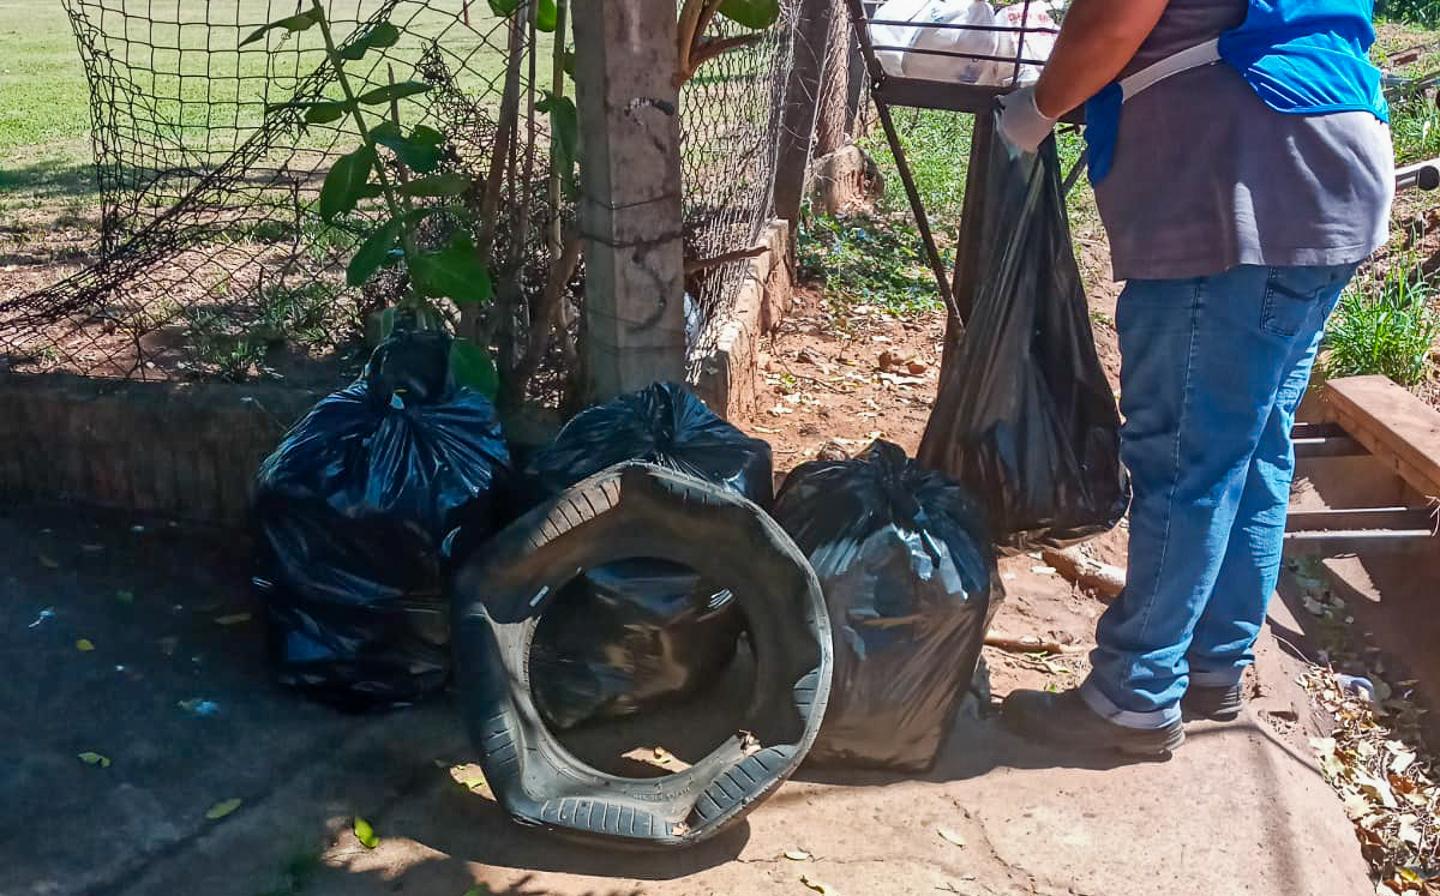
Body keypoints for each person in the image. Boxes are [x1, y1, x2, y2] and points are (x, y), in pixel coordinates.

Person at [995, 0, 1393, 755]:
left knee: (1187, 457)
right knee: (1253, 443)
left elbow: (1115, 18)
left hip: (1245, 182)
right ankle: (1214, 664)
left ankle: (1133, 694)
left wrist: (1036, 109)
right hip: (1332, 170)